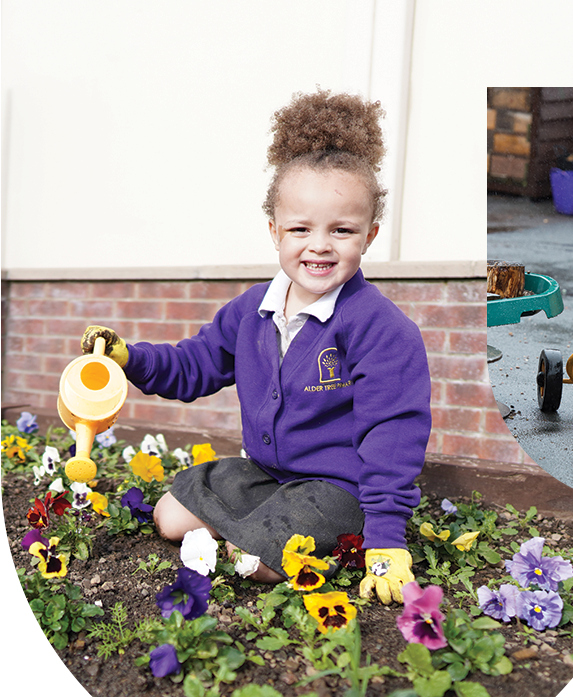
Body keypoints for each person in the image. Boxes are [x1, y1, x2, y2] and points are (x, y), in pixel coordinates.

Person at [81, 89, 432, 605]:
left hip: (337, 488)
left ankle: (262, 541)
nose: (319, 245)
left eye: (342, 230)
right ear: (274, 231)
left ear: (370, 235)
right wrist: (129, 357)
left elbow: (392, 434)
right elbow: (195, 365)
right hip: (267, 475)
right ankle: (254, 526)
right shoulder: (252, 310)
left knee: (266, 564)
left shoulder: (381, 328)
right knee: (169, 517)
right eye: (300, 228)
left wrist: (384, 539)